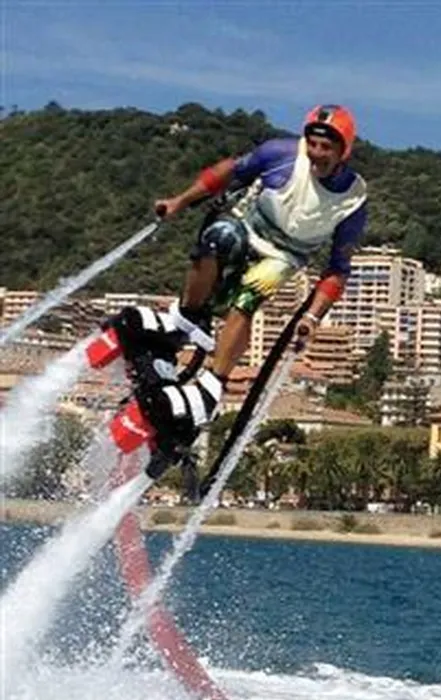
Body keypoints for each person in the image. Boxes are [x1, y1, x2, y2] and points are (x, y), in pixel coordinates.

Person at [100, 104, 367, 453]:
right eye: (313, 144)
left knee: (252, 292)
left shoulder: (353, 199)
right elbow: (228, 171)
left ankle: (212, 384)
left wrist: (312, 318)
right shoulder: (281, 154)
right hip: (249, 226)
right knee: (218, 237)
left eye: (326, 148)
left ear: (344, 150)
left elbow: (337, 269)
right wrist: (180, 201)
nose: (316, 154)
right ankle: (186, 320)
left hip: (284, 255)